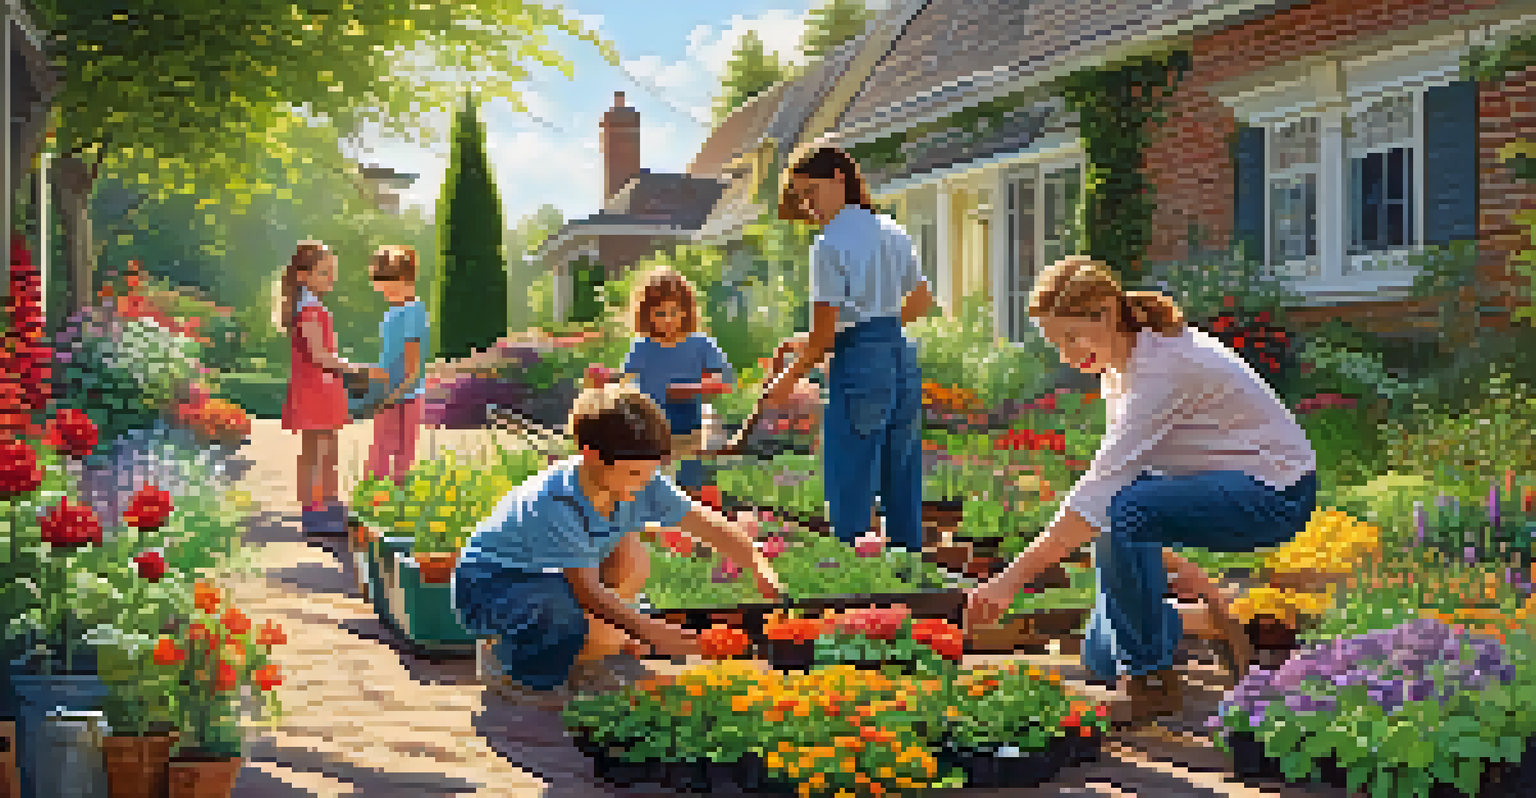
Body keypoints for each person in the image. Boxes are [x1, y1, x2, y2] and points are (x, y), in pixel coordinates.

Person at [965, 255, 1318, 723]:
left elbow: (1103, 495)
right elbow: (1121, 480)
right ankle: (1200, 621)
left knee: (1120, 509)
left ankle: (1151, 679)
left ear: (1108, 313)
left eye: (1074, 337)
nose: (1068, 354)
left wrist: (1009, 580)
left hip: (1275, 494)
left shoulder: (1162, 368)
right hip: (1223, 487)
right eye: (1056, 342)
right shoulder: (1122, 368)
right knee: (1100, 654)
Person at [452, 383, 783, 709]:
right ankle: (512, 667)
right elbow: (588, 594)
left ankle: (585, 660)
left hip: (550, 582)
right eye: (636, 472)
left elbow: (705, 524)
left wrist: (757, 563)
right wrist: (656, 634)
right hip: (490, 588)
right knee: (565, 615)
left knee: (629, 552)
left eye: (652, 470)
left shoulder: (641, 482)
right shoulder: (558, 502)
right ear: (591, 456)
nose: (645, 482)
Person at [753, 146, 933, 559]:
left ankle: (853, 582)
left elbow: (821, 341)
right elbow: (919, 303)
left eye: (810, 192)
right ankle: (909, 575)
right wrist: (869, 328)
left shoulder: (829, 243)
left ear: (839, 177)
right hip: (900, 356)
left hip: (860, 363)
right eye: (801, 197)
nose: (807, 205)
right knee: (900, 472)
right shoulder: (891, 231)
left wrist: (786, 380)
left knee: (851, 475)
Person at [279, 241, 382, 535]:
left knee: (325, 448)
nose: (330, 278)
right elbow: (319, 355)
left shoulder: (309, 306)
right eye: (324, 273)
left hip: (320, 386)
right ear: (303, 275)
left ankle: (327, 504)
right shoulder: (309, 310)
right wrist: (357, 368)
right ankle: (314, 511)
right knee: (317, 449)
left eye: (331, 272)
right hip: (316, 386)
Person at [608, 268, 736, 500]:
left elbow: (725, 382)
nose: (667, 320)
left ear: (686, 312)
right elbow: (623, 383)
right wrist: (605, 380)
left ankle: (687, 532)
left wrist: (688, 389)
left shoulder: (700, 344)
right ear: (647, 314)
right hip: (650, 431)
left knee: (690, 486)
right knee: (651, 487)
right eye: (660, 313)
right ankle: (653, 530)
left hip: (689, 429)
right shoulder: (643, 346)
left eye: (674, 312)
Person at [363, 245, 431, 485]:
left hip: (404, 395)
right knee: (380, 450)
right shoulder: (394, 310)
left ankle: (390, 505)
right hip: (389, 391)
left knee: (400, 456)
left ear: (405, 279)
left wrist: (394, 394)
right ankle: (373, 502)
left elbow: (412, 368)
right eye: (378, 282)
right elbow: (389, 355)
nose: (381, 288)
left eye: (386, 282)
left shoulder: (413, 311)